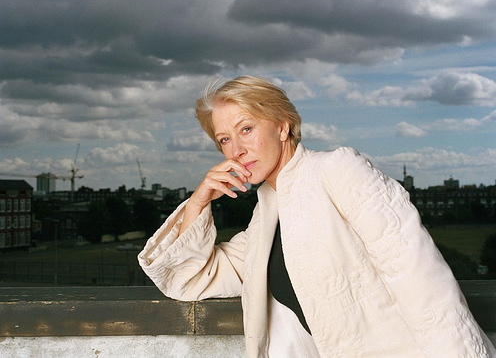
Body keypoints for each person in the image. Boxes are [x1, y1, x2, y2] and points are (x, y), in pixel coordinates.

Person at [138, 75, 495, 357]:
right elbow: (189, 278)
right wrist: (198, 202)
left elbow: (424, 284)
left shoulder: (338, 170)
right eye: (224, 140)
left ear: (282, 126)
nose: (237, 150)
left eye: (246, 129)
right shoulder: (265, 218)